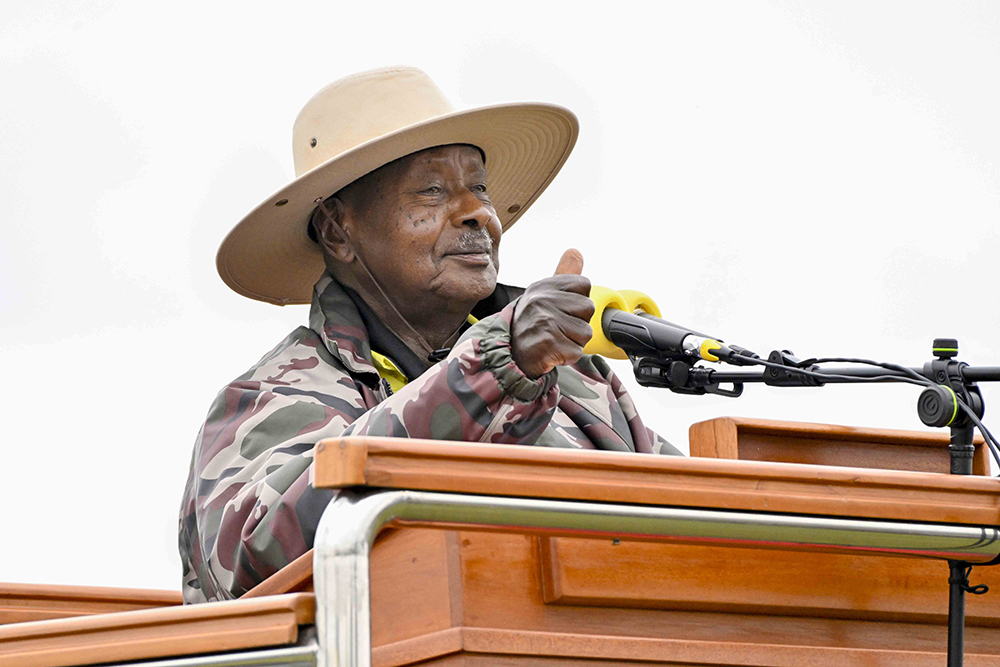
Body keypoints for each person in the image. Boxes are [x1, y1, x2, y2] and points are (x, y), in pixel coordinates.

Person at [179, 67, 680, 604]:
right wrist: (497, 366)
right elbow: (251, 554)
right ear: (336, 230)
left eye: (480, 188)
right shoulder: (273, 396)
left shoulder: (579, 380)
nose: (479, 213)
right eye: (433, 191)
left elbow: (705, 516)